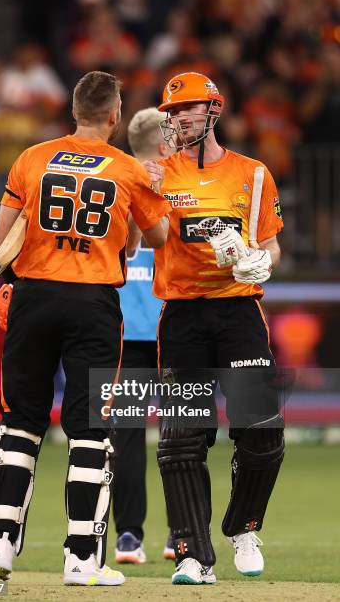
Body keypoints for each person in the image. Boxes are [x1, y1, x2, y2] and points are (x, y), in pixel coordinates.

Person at [0, 70, 170, 586]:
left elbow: (1, 241)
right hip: (93, 303)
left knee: (20, 422)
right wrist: (149, 195)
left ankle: (0, 544)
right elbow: (151, 239)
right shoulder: (128, 169)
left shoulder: (32, 158)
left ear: (73, 111)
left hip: (34, 298)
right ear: (115, 115)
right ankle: (82, 558)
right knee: (89, 432)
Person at [143, 71, 284, 585]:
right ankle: (191, 555)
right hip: (183, 315)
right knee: (183, 440)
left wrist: (260, 263)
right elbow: (148, 237)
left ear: (214, 110)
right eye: (172, 111)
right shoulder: (158, 173)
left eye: (189, 109)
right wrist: (147, 196)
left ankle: (243, 527)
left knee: (261, 434)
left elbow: (269, 243)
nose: (179, 117)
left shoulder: (253, 173)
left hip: (239, 312)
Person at [112, 107, 175, 564]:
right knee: (183, 436)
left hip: (121, 340)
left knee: (125, 436)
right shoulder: (175, 191)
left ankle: (128, 537)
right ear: (162, 143)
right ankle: (181, 534)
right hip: (174, 333)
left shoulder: (112, 187)